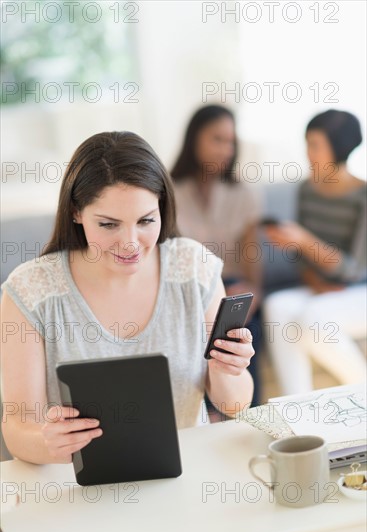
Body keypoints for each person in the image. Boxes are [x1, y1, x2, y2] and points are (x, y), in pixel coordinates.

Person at [1, 131, 254, 464]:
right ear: (76, 212)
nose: (131, 244)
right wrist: (46, 442)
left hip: (186, 477)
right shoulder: (32, 291)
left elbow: (233, 405)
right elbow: (18, 428)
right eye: (109, 225)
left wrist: (228, 370)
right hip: (77, 488)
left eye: (146, 220)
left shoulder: (194, 268)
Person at [263, 110, 367, 395]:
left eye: (314, 145)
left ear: (339, 147)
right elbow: (299, 257)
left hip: (358, 291)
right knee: (276, 306)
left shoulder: (363, 196)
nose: (308, 154)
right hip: (321, 287)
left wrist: (305, 240)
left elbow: (355, 269)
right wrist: (313, 279)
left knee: (313, 319)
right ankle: (296, 407)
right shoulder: (306, 190)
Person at [171, 105, 262, 407]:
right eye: (217, 139)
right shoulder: (168, 192)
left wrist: (252, 292)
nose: (226, 149)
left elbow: (253, 265)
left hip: (233, 286)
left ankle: (248, 414)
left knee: (243, 331)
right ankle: (206, 416)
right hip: (188, 290)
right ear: (194, 138)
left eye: (231, 141)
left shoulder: (243, 194)